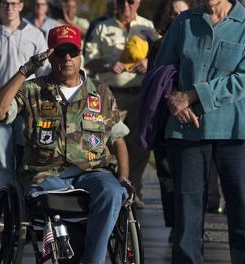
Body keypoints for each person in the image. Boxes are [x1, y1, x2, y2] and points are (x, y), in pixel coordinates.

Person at [0, 25, 130, 264]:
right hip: (46, 174)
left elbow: (119, 140)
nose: (67, 58)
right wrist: (25, 71)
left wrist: (124, 178)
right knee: (45, 197)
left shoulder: (100, 92)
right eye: (60, 52)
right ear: (50, 57)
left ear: (80, 54)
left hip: (93, 172)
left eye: (72, 52)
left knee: (114, 191)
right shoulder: (32, 90)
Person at [153, 0, 245, 263]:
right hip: (186, 130)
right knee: (187, 219)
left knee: (243, 215)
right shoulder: (184, 22)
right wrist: (173, 100)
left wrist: (191, 95)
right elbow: (162, 70)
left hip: (236, 130)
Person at [84, 0, 160, 209]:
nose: (126, 4)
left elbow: (162, 55)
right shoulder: (101, 27)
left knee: (139, 144)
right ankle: (110, 190)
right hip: (112, 96)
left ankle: (133, 190)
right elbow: (88, 60)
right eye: (121, 0)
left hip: (141, 94)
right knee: (110, 144)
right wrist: (108, 64)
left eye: (132, 1)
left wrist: (148, 62)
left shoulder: (148, 26)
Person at [0, 0, 49, 192]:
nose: (10, 8)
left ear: (21, 6)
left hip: (28, 108)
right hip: (0, 108)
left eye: (14, 3)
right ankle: (4, 211)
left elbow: (44, 73)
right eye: (5, 4)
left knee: (28, 160)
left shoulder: (35, 34)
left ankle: (26, 207)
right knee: (4, 165)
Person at [147, 0, 190, 241]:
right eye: (173, 14)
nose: (178, 17)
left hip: (193, 117)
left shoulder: (198, 41)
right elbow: (155, 82)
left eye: (182, 13)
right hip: (164, 118)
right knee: (167, 175)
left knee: (191, 176)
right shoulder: (157, 46)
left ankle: (193, 224)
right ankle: (175, 226)